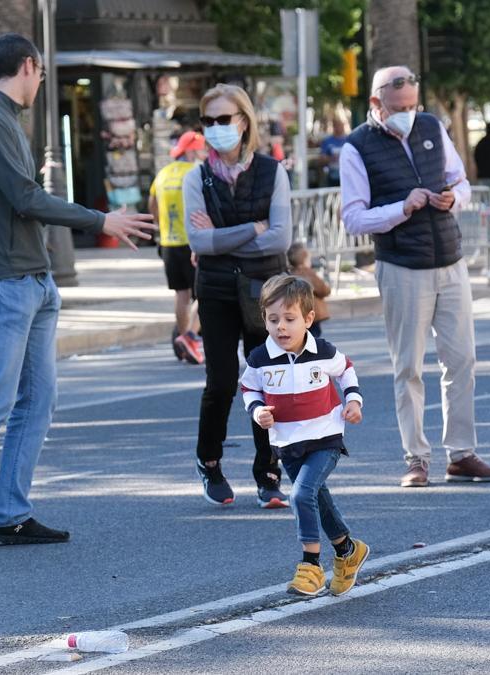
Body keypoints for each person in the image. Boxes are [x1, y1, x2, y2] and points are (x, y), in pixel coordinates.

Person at [0, 33, 156, 545]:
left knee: (38, 401)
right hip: (7, 280)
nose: (41, 83)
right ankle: (10, 513)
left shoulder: (8, 120)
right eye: (40, 74)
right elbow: (25, 197)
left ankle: (9, 514)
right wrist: (101, 218)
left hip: (33, 279)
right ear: (30, 67)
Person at [340, 66, 490, 487]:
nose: (408, 114)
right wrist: (403, 207)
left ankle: (462, 453)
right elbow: (354, 218)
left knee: (461, 360)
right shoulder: (357, 147)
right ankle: (416, 458)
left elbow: (461, 182)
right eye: (399, 108)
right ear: (376, 104)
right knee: (408, 368)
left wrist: (455, 198)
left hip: (449, 260)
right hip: (402, 267)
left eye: (413, 106)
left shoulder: (432, 126)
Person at [184, 83, 293, 509]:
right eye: (207, 121)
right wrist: (253, 229)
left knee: (268, 379)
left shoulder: (272, 171)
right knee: (223, 381)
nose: (215, 129)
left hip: (263, 290)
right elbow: (198, 239)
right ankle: (209, 461)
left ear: (243, 121)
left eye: (223, 120)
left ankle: (269, 472)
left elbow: (281, 238)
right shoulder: (197, 176)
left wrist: (220, 238)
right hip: (215, 290)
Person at [240, 274, 369, 596]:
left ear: (308, 319)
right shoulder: (259, 358)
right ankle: (347, 550)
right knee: (317, 498)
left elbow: (347, 370)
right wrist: (257, 411)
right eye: (273, 320)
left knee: (300, 495)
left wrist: (353, 400)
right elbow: (249, 388)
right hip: (287, 442)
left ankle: (311, 565)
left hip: (325, 438)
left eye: (289, 319)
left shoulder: (323, 351)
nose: (280, 327)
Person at [150, 130, 206, 365]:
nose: (204, 154)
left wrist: (160, 227)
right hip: (192, 242)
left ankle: (184, 343)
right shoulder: (196, 172)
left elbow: (152, 203)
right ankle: (191, 337)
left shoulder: (163, 174)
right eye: (202, 149)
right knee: (205, 293)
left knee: (181, 294)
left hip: (169, 242)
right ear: (191, 150)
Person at [287, 242, 331, 338]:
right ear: (305, 260)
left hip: (297, 313)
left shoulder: (289, 274)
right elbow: (324, 290)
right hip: (312, 313)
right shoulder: (309, 274)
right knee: (314, 335)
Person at [318, 116, 349, 187]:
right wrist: (331, 158)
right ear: (334, 127)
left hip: (347, 177)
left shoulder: (349, 140)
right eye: (337, 126)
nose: (339, 128)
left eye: (341, 125)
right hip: (333, 176)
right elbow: (321, 159)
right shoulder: (327, 141)